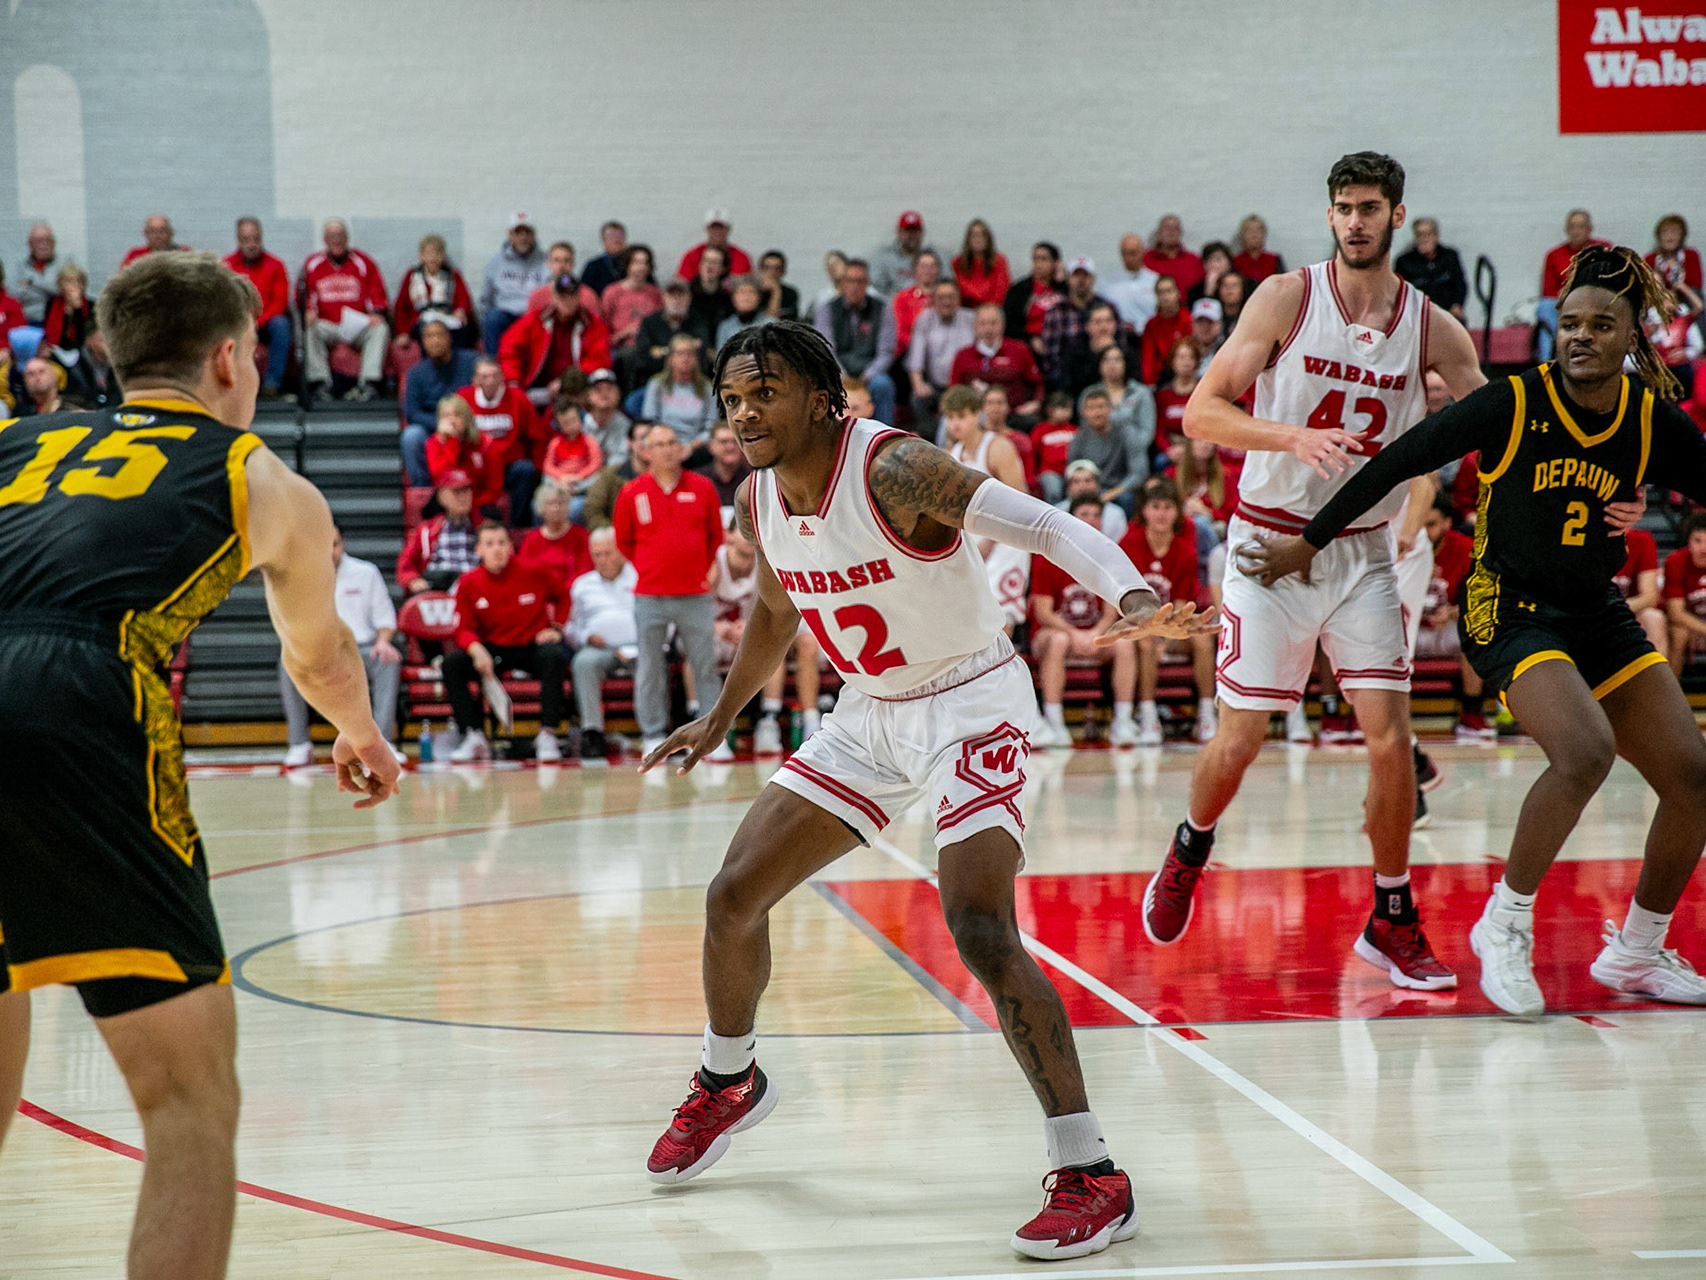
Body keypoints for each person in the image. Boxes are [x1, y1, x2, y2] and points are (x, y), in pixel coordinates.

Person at [640, 320, 1212, 1260]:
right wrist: (721, 715)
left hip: (972, 702)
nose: (743, 412)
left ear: (824, 398)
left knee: (980, 926)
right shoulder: (757, 501)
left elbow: (1043, 521)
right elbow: (778, 613)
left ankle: (1092, 1173)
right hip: (869, 711)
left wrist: (1133, 595)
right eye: (732, 398)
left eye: (764, 392)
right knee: (732, 895)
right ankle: (727, 1079)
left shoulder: (893, 468)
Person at [0, 250, 398, 1280]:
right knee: (188, 1099)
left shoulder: (11, 440)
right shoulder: (256, 471)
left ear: (108, 353)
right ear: (230, 358)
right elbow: (316, 651)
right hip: (75, 698)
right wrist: (358, 732)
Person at [1247, 244, 1706, 1016]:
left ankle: (1635, 951)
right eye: (1570, 323)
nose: (1581, 336)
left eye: (1602, 324)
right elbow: (1395, 461)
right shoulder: (1514, 402)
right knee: (1585, 750)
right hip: (1506, 604)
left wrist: (1656, 514)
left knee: (1694, 776)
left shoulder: (1651, 418)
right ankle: (1505, 923)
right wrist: (1308, 541)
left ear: (1633, 338)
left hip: (1596, 610)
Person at [1143, 152, 1490, 991]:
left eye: (1370, 207)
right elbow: (1200, 412)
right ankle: (1190, 847)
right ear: (1330, 215)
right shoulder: (1286, 299)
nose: (1356, 221)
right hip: (1269, 544)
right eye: (1343, 208)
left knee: (1390, 739)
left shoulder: (1433, 328)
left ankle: (1393, 914)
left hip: (1363, 552)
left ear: (1398, 216)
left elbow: (1499, 424)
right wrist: (1290, 437)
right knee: (1243, 738)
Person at [614, 422, 729, 758]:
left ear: (681, 449)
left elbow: (714, 537)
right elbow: (623, 541)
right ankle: (652, 733)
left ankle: (712, 737)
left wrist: (700, 568)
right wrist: (651, 566)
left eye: (671, 443)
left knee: (704, 664)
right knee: (650, 666)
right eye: (659, 443)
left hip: (694, 594)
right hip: (650, 594)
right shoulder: (632, 492)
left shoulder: (703, 487)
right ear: (646, 451)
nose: (666, 449)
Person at [280, 525, 405, 768]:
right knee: (287, 663)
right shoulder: (302, 577)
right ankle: (299, 744)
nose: (330, 551)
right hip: (320, 653)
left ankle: (381, 743)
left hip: (363, 649)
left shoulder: (366, 573)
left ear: (342, 544)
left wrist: (383, 641)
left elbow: (386, 619)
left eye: (334, 544)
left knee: (388, 659)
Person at [444, 522, 568, 763]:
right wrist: (476, 648)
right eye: (490, 544)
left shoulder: (533, 571)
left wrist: (557, 628)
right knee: (452, 664)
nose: (497, 549)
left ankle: (548, 734)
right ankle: (473, 735)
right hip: (492, 648)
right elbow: (463, 627)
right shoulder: (469, 582)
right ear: (479, 550)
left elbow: (563, 595)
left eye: (502, 543)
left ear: (511, 546)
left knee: (554, 656)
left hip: (530, 645)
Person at [1029, 493, 1141, 748]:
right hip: (1054, 634)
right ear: (1071, 519)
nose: (1091, 521)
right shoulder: (1049, 554)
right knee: (1057, 641)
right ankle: (1054, 721)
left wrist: (1096, 633)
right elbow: (1043, 613)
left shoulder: (1109, 555)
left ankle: (1123, 721)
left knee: (1124, 643)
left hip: (1094, 633)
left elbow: (1111, 611)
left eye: (1096, 515)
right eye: (1084, 515)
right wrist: (1075, 634)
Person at [712, 519, 824, 756]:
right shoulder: (715, 563)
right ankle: (704, 717)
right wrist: (717, 627)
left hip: (754, 632)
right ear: (729, 535)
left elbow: (779, 612)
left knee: (801, 643)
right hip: (719, 633)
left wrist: (751, 627)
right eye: (742, 532)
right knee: (698, 647)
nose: (748, 538)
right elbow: (696, 609)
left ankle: (800, 721)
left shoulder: (769, 562)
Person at [1121, 478, 1215, 744]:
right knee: (1148, 640)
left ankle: (1207, 714)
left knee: (1203, 638)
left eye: (1168, 507)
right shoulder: (1128, 545)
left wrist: (1168, 636)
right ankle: (1148, 715)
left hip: (1170, 626)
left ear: (1177, 513)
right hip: (1137, 627)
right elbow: (1123, 602)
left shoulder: (1185, 551)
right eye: (1155, 506)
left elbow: (1184, 603)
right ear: (1144, 511)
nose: (1161, 513)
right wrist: (1155, 634)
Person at [943, 385, 1031, 629]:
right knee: (973, 619)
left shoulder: (998, 448)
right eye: (950, 418)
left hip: (1006, 541)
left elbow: (1021, 504)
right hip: (974, 540)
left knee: (1001, 616)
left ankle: (1006, 666)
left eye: (961, 416)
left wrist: (990, 542)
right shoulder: (953, 454)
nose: (955, 424)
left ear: (976, 415)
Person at [1411, 495, 1491, 741]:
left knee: (1477, 632)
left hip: (1447, 628)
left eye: (1431, 524)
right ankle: (1377, 718)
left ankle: (1471, 712)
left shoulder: (1466, 549)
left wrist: (1453, 612)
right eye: (1419, 524)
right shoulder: (1401, 547)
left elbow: (1483, 597)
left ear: (1447, 523)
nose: (1423, 532)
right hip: (1410, 630)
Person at [499, 272, 614, 419]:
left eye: (572, 296)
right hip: (536, 388)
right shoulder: (535, 321)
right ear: (553, 297)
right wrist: (513, 382)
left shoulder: (593, 325)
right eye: (562, 297)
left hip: (577, 391)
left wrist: (566, 382)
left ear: (579, 297)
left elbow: (600, 360)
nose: (567, 301)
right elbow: (509, 351)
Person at [297, 219, 389, 402]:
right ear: (324, 239)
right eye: (331, 236)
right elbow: (304, 296)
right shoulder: (313, 264)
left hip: (357, 325)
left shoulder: (363, 262)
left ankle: (368, 383)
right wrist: (308, 311)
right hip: (328, 326)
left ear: (347, 237)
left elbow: (377, 293)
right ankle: (320, 383)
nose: (336, 240)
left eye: (340, 235)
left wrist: (377, 313)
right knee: (310, 329)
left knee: (381, 328)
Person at [568, 527, 639, 758]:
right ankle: (592, 732)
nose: (602, 559)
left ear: (620, 552)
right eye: (597, 554)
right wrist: (585, 637)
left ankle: (654, 731)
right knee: (582, 662)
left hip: (637, 646)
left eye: (607, 553)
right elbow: (571, 626)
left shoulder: (639, 576)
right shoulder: (582, 585)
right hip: (599, 649)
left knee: (653, 661)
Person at [458, 356, 544, 519]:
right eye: (484, 377)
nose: (490, 381)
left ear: (502, 377)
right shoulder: (464, 398)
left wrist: (539, 469)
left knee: (526, 470)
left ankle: (518, 524)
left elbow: (536, 436)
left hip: (509, 466)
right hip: (477, 467)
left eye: (494, 375)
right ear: (475, 380)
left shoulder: (518, 398)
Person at [814, 257, 896, 424]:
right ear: (843, 283)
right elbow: (826, 350)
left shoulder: (883, 309)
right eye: (850, 281)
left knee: (883, 385)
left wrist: (867, 376)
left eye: (859, 281)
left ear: (867, 283)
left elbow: (886, 352)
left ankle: (884, 439)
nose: (854, 286)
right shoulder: (827, 309)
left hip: (871, 373)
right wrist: (843, 377)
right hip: (837, 372)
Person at [222, 217, 293, 396]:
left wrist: (258, 321)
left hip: (266, 324)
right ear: (238, 240)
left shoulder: (275, 265)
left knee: (282, 324)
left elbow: (280, 302)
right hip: (237, 323)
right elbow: (222, 300)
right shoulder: (226, 265)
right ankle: (230, 384)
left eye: (255, 239)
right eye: (246, 240)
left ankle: (272, 384)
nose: (252, 244)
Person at [401, 321, 478, 482]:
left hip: (466, 424)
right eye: (429, 336)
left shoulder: (471, 361)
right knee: (411, 436)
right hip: (433, 428)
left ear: (449, 338)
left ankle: (473, 483)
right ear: (423, 342)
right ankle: (422, 488)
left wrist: (459, 423)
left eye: (439, 335)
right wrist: (442, 424)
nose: (434, 340)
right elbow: (412, 413)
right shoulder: (415, 373)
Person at [1538, 210, 1610, 361]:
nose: (1577, 231)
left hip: (1597, 300)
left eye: (1581, 226)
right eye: (1572, 227)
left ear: (1590, 229)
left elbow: (1611, 280)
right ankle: (1548, 362)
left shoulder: (1603, 249)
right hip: (1566, 302)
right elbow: (1548, 291)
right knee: (1544, 307)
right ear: (1566, 230)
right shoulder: (1554, 254)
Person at [951, 303, 1043, 419]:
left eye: (993, 323)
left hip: (1014, 415)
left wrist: (1035, 404)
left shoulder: (1019, 350)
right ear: (974, 326)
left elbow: (1037, 383)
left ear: (1003, 325)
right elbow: (954, 391)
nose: (988, 329)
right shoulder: (962, 356)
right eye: (983, 323)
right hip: (975, 417)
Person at [397, 469, 480, 593]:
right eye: (456, 491)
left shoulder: (484, 527)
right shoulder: (426, 530)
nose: (463, 497)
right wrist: (413, 580)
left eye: (466, 490)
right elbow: (405, 566)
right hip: (438, 591)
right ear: (441, 496)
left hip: (476, 591)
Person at [480, 212, 551, 356]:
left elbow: (550, 294)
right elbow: (485, 299)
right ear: (509, 235)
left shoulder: (546, 261)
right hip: (505, 314)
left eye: (527, 232)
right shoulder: (495, 262)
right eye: (518, 232)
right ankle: (495, 369)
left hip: (535, 314)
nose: (523, 237)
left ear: (533, 235)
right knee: (492, 319)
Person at [1068, 387, 1147, 514]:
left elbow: (1138, 473)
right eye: (1091, 408)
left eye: (1101, 407)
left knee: (1127, 498)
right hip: (1089, 490)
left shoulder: (1127, 433)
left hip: (1118, 490)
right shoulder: (1079, 438)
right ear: (1084, 412)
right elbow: (1072, 470)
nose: (1097, 413)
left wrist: (1112, 493)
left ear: (1110, 408)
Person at [1038, 257, 1109, 391]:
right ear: (1069, 278)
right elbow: (1050, 358)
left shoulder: (1107, 309)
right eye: (1076, 275)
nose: (1081, 280)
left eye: (1086, 276)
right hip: (1067, 381)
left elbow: (1118, 347)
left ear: (1093, 278)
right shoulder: (1056, 312)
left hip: (1104, 379)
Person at [907, 277, 975, 418]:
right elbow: (916, 357)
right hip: (935, 387)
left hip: (966, 387)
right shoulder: (925, 319)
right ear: (933, 300)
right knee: (917, 399)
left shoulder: (971, 319)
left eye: (951, 297)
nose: (947, 302)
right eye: (941, 297)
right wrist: (918, 383)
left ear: (959, 299)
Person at [392, 233, 475, 349]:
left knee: (461, 330)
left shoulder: (453, 275)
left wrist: (461, 311)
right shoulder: (412, 276)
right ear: (421, 256)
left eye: (437, 253)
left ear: (443, 256)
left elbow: (463, 299)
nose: (433, 257)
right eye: (428, 253)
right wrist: (403, 332)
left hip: (446, 317)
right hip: (420, 320)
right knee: (429, 332)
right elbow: (400, 308)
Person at [425, 396, 503, 510]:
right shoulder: (434, 443)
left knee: (492, 512)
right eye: (446, 416)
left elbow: (494, 488)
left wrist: (470, 506)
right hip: (447, 501)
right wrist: (451, 442)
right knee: (429, 511)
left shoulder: (487, 444)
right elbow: (440, 477)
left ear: (467, 419)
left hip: (477, 502)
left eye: (457, 415)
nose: (452, 421)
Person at [642, 333, 718, 446]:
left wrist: (692, 447)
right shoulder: (656, 384)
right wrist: (670, 445)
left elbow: (712, 427)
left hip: (697, 447)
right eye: (680, 353)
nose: (685, 358)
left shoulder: (708, 388)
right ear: (670, 358)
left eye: (690, 354)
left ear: (696, 358)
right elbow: (649, 421)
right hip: (663, 444)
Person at [518, 480, 594, 590]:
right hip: (541, 594)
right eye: (551, 504)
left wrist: (563, 591)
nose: (556, 508)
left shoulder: (581, 535)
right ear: (541, 508)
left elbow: (586, 570)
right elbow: (525, 571)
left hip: (575, 591)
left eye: (561, 503)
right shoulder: (531, 539)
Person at [583, 416, 652, 532]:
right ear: (630, 443)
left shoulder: (667, 477)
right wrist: (615, 533)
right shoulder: (611, 475)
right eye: (643, 438)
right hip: (619, 540)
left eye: (652, 439)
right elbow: (592, 509)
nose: (647, 444)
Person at [628, 276, 694, 394]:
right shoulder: (649, 322)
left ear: (689, 298)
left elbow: (701, 355)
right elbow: (643, 357)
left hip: (691, 383)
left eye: (680, 295)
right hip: (654, 381)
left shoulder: (698, 322)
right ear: (663, 297)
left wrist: (662, 351)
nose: (676, 300)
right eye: (671, 295)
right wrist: (680, 352)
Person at [1060, 298, 1136, 398]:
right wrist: (1098, 355)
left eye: (1108, 321)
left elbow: (1134, 385)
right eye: (1098, 322)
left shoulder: (1127, 353)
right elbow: (1068, 389)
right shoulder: (1074, 355)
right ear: (1087, 326)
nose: (1104, 327)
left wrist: (1112, 350)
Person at [1394, 218, 1468, 321]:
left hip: (1447, 310)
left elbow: (1460, 284)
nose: (1424, 239)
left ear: (1436, 237)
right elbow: (1398, 292)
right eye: (1419, 235)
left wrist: (1457, 304)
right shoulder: (1404, 261)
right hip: (1417, 313)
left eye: (1428, 235)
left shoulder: (1449, 256)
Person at [541, 392, 604, 513]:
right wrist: (562, 478)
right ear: (558, 425)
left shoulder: (589, 440)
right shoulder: (555, 443)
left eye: (573, 420)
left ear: (580, 418)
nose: (571, 426)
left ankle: (574, 494)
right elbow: (548, 466)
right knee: (546, 479)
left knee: (597, 478)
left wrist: (579, 476)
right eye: (565, 423)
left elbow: (596, 463)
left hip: (582, 482)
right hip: (561, 482)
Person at [1002, 240, 1067, 352]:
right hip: (1029, 343)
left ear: (1055, 263)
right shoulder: (1019, 290)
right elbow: (1009, 324)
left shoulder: (1064, 289)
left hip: (1061, 341)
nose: (1038, 264)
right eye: (1035, 259)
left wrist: (1062, 283)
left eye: (1043, 259)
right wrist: (1029, 340)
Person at [1664, 512, 1706, 674]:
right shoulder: (1675, 561)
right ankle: (1670, 696)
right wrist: (1702, 629)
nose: (1704, 549)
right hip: (1686, 621)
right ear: (1688, 541)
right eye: (1697, 540)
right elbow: (1675, 613)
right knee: (1679, 633)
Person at [13, 221, 64, 355]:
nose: (44, 244)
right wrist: (50, 287)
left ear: (54, 243)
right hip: (28, 323)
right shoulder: (20, 266)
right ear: (30, 245)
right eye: (39, 240)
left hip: (58, 323)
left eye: (47, 240)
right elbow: (15, 293)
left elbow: (62, 290)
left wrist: (31, 283)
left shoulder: (65, 262)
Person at [601, 245, 664, 352]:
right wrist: (624, 333)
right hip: (621, 347)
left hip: (650, 347)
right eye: (637, 263)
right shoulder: (612, 292)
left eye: (645, 263)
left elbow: (661, 323)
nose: (642, 267)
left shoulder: (656, 293)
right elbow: (602, 329)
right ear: (627, 265)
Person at [889, 250, 944, 365]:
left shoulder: (946, 297)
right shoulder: (902, 298)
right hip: (909, 352)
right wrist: (921, 346)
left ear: (938, 270)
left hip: (942, 350)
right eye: (923, 266)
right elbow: (900, 332)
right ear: (915, 270)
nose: (928, 270)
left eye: (932, 266)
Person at [1056, 459, 1128, 541]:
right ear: (1068, 487)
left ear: (1097, 484)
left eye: (1088, 480)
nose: (1083, 486)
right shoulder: (1058, 511)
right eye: (1076, 481)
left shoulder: (1115, 513)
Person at [1139, 276, 1193, 384]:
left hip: (1188, 373)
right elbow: (1148, 359)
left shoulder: (1188, 319)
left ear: (1178, 293)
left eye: (1169, 291)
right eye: (1161, 292)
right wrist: (1150, 383)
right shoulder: (1151, 325)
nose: (1165, 296)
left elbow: (1192, 352)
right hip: (1162, 377)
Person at [1646, 214, 1704, 313]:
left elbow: (1696, 285)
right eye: (1665, 233)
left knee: (1697, 296)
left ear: (1682, 236)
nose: (1670, 238)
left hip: (1686, 299)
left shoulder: (1690, 256)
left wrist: (1681, 288)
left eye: (1675, 233)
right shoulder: (1650, 259)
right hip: (1659, 302)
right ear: (1659, 237)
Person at [871, 209, 936, 296]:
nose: (911, 235)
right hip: (894, 305)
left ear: (921, 232)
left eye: (915, 231)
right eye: (907, 231)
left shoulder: (934, 257)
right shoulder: (885, 258)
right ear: (899, 232)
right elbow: (877, 290)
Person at [1104, 233, 1160, 331]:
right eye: (1125, 253)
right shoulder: (1109, 283)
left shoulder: (1155, 280)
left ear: (1143, 251)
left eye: (1133, 253)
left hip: (1147, 336)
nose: (1129, 258)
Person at [1030, 391, 1079, 501]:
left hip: (1071, 470)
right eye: (1063, 409)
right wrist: (1034, 475)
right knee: (1054, 491)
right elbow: (1034, 453)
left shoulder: (1074, 430)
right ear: (1050, 410)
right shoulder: (1040, 430)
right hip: (1050, 470)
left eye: (1069, 409)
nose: (1067, 413)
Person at [694, 419, 753, 509]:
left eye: (735, 441)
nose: (730, 447)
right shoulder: (698, 479)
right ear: (711, 447)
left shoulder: (752, 479)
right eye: (723, 442)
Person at [678, 210, 752, 281]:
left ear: (728, 229)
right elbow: (683, 285)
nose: (717, 231)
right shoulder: (692, 256)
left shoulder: (741, 257)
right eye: (713, 227)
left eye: (721, 228)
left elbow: (746, 287)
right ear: (706, 229)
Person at [953, 218, 1010, 308]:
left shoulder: (999, 261)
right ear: (968, 239)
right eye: (974, 235)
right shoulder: (957, 262)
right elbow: (955, 293)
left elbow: (1002, 293)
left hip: (992, 311)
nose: (978, 239)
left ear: (988, 239)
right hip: (966, 312)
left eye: (982, 235)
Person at [582, 368, 633, 466]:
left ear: (618, 394)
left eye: (609, 389)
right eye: (598, 390)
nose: (604, 394)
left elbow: (623, 461)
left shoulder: (627, 426)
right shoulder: (580, 423)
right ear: (589, 395)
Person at [1143, 215, 1204, 295]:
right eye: (1167, 228)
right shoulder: (1146, 259)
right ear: (1158, 233)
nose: (1171, 231)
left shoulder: (1194, 260)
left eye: (1175, 228)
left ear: (1180, 233)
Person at [716, 274, 776, 350]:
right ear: (733, 298)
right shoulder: (725, 327)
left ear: (759, 298)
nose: (746, 297)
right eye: (741, 292)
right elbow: (720, 359)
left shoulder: (771, 325)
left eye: (751, 292)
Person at [120, 213, 189, 267]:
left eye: (162, 231)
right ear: (146, 234)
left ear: (171, 233)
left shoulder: (183, 253)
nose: (157, 235)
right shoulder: (135, 255)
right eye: (152, 231)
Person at [1231, 215, 1285, 284]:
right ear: (1242, 235)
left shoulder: (1274, 260)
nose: (1254, 235)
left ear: (1264, 234)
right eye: (1249, 231)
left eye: (1258, 230)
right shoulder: (1235, 262)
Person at [581, 220, 629, 297]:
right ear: (603, 240)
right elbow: (585, 294)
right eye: (611, 237)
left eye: (619, 236)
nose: (616, 240)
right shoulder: (593, 266)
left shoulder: (634, 264)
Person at [1187, 242, 1235, 307]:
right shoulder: (1196, 290)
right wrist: (1209, 291)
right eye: (1209, 260)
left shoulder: (1245, 283)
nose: (1213, 264)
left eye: (1218, 259)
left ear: (1229, 262)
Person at [756, 250, 799, 321]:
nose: (772, 272)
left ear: (783, 271)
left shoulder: (790, 294)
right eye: (767, 267)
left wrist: (776, 292)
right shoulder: (752, 293)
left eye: (777, 268)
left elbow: (774, 322)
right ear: (760, 269)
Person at [1189, 298, 1225, 370]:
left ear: (1220, 324)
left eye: (1210, 322)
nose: (1205, 327)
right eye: (1200, 322)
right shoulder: (1185, 350)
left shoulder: (1226, 351)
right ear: (1192, 324)